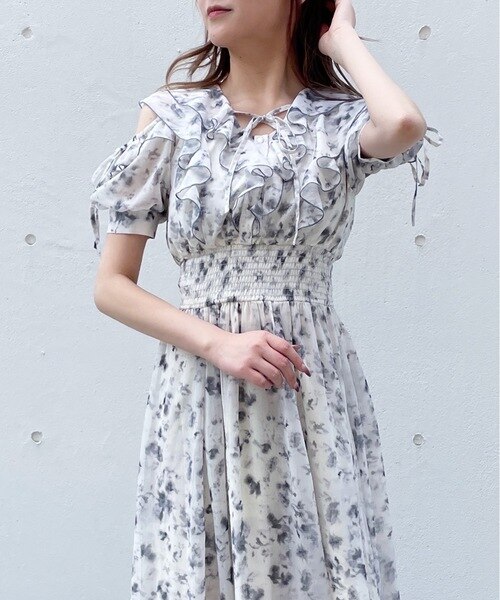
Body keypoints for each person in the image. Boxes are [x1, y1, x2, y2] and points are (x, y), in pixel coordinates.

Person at [89, 0, 443, 598]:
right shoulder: (173, 117)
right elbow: (111, 286)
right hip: (202, 389)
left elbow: (404, 124)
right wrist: (218, 344)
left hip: (307, 392)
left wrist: (340, 39)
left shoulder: (336, 122)